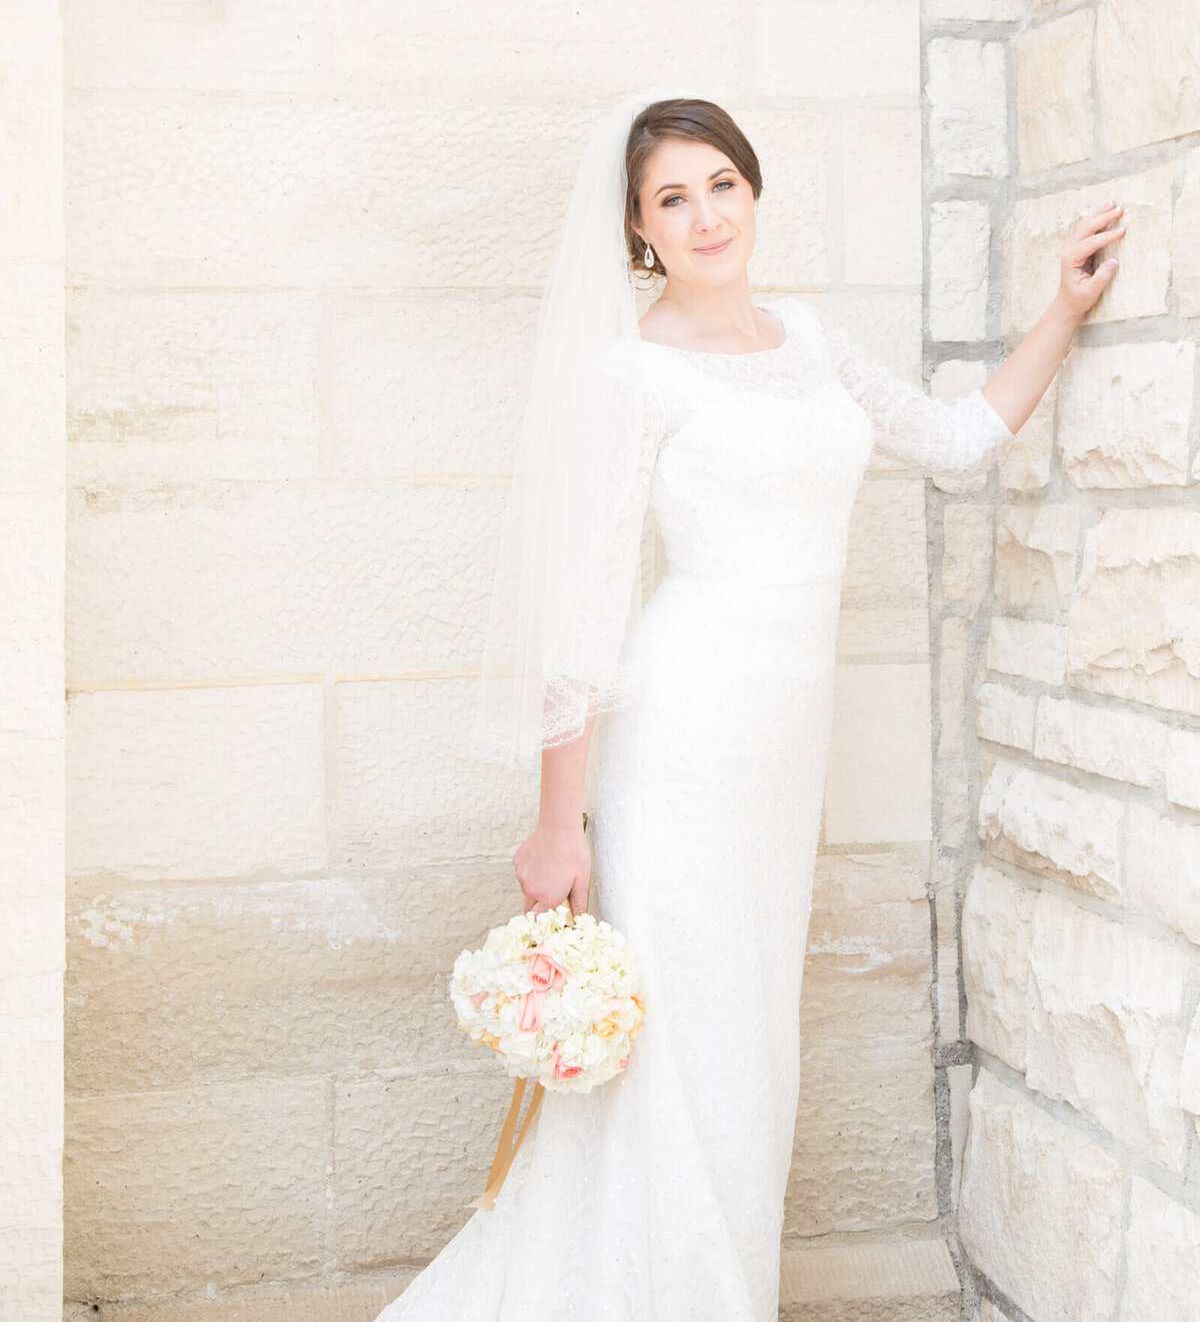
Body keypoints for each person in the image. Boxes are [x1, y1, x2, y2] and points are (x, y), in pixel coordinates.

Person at [373, 91, 1124, 1321]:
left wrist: (1061, 307)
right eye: (673, 197)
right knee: (685, 1044)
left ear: (755, 192)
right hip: (683, 737)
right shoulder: (632, 373)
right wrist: (560, 827)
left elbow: (952, 440)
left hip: (780, 752)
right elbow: (585, 619)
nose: (706, 213)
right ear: (638, 231)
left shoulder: (816, 341)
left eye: (722, 182)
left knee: (745, 1042)